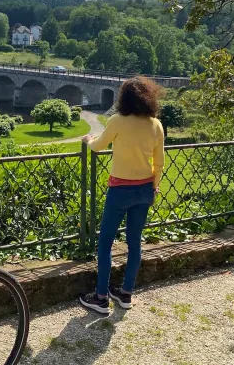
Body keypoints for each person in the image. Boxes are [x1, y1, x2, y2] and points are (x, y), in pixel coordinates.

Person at [79, 77, 165, 314]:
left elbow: (98, 146)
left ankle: (101, 297)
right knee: (134, 242)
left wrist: (88, 140)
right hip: (144, 188)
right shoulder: (155, 125)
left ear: (124, 98)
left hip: (120, 190)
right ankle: (126, 293)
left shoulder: (118, 121)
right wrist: (154, 186)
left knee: (105, 242)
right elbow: (159, 164)